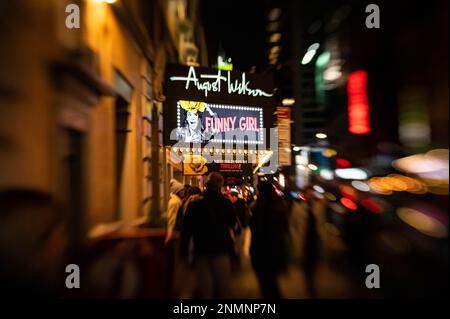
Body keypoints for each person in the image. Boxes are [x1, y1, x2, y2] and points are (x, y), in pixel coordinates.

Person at [180, 172, 237, 299]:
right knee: (224, 288)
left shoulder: (194, 205)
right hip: (221, 250)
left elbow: (186, 230)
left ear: (206, 185)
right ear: (220, 186)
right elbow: (232, 223)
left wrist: (183, 252)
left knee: (205, 289)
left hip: (201, 250)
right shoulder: (226, 203)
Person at [249, 181, 289, 299]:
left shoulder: (259, 208)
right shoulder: (279, 206)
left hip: (260, 250)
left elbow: (255, 229)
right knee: (271, 281)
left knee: (266, 283)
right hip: (276, 249)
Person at [227, 189, 250, 268]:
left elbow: (238, 216)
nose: (229, 199)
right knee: (237, 245)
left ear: (234, 197)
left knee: (238, 245)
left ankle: (238, 262)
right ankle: (237, 261)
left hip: (239, 228)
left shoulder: (238, 205)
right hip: (240, 227)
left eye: (230, 197)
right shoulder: (241, 203)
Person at [165, 179, 186, 245]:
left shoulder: (177, 201)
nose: (183, 192)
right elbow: (172, 219)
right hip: (175, 232)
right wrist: (170, 235)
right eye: (181, 190)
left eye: (183, 190)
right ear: (177, 191)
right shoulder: (175, 202)